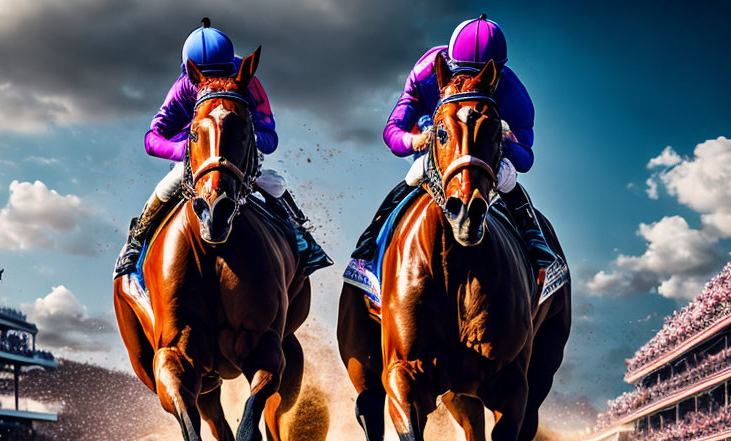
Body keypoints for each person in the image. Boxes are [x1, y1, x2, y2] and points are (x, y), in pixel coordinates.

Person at [114, 19, 331, 278]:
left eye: (222, 72)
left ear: (231, 65)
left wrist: (241, 138)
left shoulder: (247, 79)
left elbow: (269, 137)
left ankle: (300, 234)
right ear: (191, 73)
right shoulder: (183, 87)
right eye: (205, 76)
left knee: (274, 183)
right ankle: (136, 241)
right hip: (199, 156)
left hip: (238, 157)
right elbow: (152, 138)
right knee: (168, 184)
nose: (215, 82)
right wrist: (187, 148)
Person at [353, 14, 556, 273]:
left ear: (496, 72)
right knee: (415, 175)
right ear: (450, 61)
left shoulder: (514, 95)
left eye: (482, 76)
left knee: (509, 179)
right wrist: (417, 139)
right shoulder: (426, 73)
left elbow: (526, 158)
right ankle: (368, 247)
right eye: (461, 73)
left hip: (487, 158)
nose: (468, 83)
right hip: (440, 151)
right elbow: (392, 132)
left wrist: (504, 143)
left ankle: (537, 247)